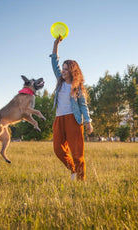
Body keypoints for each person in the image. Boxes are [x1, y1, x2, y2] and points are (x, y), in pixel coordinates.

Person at [49, 36, 93, 181]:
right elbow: (54, 61)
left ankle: (81, 181)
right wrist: (56, 44)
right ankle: (73, 170)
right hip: (59, 119)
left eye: (66, 69)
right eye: (63, 68)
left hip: (73, 120)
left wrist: (87, 121)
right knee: (58, 150)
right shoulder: (60, 81)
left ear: (72, 71)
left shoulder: (77, 87)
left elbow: (83, 105)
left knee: (77, 153)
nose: (63, 71)